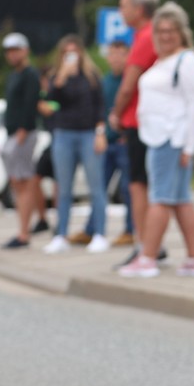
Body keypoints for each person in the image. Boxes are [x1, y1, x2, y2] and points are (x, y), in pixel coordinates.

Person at [117, 2, 194, 279]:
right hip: (159, 137)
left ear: (182, 32)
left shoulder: (188, 60)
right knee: (180, 200)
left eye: (171, 30)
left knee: (160, 199)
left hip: (173, 139)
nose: (165, 35)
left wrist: (190, 145)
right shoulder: (163, 61)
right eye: (160, 30)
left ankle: (147, 257)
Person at [108, 0, 164, 268]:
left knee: (138, 186)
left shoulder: (144, 36)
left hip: (138, 121)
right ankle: (153, 244)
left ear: (139, 8)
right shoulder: (153, 34)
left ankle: (145, 246)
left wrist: (115, 113)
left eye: (123, 4)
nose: (121, 9)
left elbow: (128, 85)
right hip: (152, 120)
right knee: (151, 185)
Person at [39, 35, 110, 255]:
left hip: (88, 133)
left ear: (81, 53)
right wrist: (60, 78)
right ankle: (60, 234)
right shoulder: (56, 77)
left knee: (96, 187)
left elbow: (100, 106)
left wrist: (100, 132)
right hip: (64, 134)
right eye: (66, 52)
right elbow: (51, 101)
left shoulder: (91, 77)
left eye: (74, 51)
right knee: (63, 188)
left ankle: (99, 233)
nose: (71, 56)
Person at [76, 39, 134, 248]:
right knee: (98, 186)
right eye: (112, 54)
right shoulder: (105, 81)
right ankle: (91, 228)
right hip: (107, 141)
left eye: (120, 54)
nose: (116, 58)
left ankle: (131, 230)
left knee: (128, 189)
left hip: (125, 140)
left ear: (128, 56)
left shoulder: (131, 79)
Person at [0, 32, 43, 249]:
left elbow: (30, 103)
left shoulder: (30, 74)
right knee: (17, 182)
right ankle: (24, 228)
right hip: (12, 133)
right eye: (9, 51)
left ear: (25, 51)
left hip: (22, 134)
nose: (12, 55)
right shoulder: (13, 75)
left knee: (23, 181)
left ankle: (24, 233)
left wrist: (23, 130)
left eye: (16, 50)